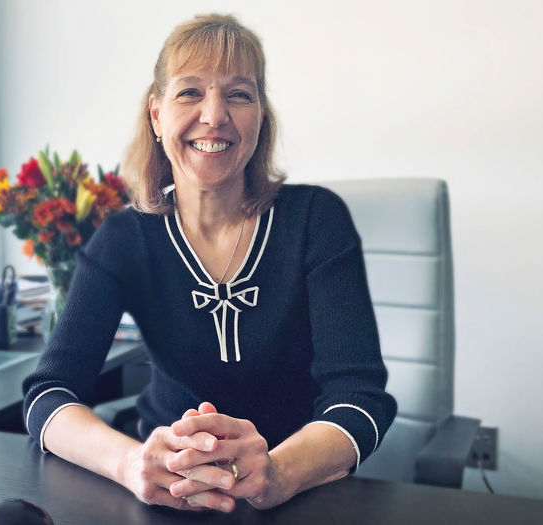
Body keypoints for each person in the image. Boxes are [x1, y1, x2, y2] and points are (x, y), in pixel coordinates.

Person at [22, 13, 397, 513]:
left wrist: (279, 472)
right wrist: (132, 464)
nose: (214, 115)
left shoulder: (315, 220)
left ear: (260, 117)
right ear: (156, 115)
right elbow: (48, 393)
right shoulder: (123, 237)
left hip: (299, 494)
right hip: (164, 496)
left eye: (239, 94)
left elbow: (359, 395)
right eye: (190, 93)